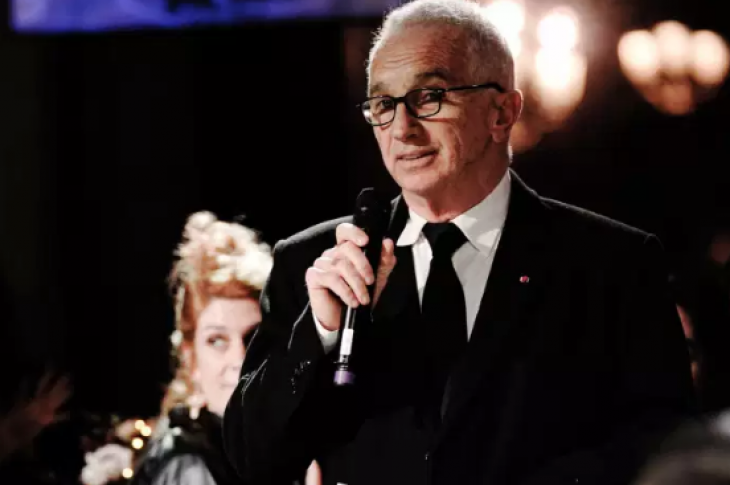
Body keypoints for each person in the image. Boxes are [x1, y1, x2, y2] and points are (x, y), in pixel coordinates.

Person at [222, 1, 696, 484]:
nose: (402, 128)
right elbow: (253, 457)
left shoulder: (612, 265)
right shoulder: (314, 263)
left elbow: (661, 450)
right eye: (383, 105)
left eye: (429, 97)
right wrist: (320, 331)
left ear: (502, 112)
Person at [125, 211, 274, 485]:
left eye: (254, 338)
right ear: (190, 359)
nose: (240, 360)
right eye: (217, 340)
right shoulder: (187, 467)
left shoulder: (265, 451)